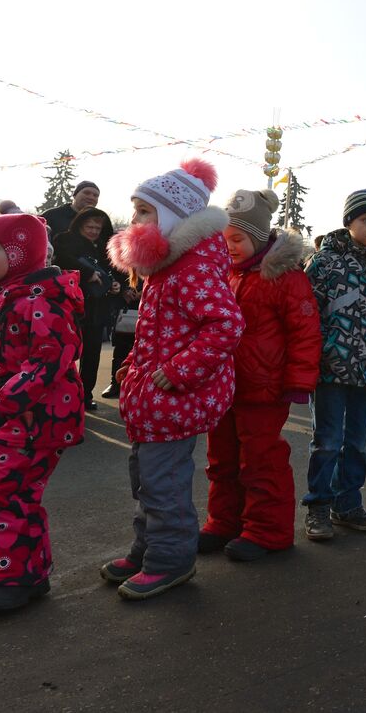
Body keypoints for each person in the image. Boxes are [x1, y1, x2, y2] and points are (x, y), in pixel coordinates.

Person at [101, 159, 244, 600]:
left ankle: (170, 561)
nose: (136, 221)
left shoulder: (193, 267)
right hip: (153, 396)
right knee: (147, 481)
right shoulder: (165, 268)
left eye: (146, 213)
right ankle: (147, 549)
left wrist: (176, 372)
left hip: (177, 397)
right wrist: (135, 368)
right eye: (136, 211)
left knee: (163, 485)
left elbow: (226, 324)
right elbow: (162, 332)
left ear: (173, 218)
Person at [0, 213, 84, 613]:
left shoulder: (42, 302)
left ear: (21, 255)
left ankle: (23, 576)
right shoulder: (2, 297)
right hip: (4, 417)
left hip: (38, 420)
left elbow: (47, 364)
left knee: (11, 492)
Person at [196, 189, 319, 562]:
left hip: (263, 387)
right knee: (222, 458)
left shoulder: (284, 277)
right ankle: (224, 521)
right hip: (223, 385)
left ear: (259, 237)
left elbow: (305, 330)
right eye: (224, 240)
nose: (229, 246)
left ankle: (268, 530)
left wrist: (299, 381)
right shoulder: (224, 275)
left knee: (261, 459)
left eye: (237, 239)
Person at [303, 189, 366, 540]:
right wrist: (319, 352)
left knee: (357, 442)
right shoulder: (324, 262)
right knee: (327, 441)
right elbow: (307, 314)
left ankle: (348, 504)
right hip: (331, 367)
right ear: (349, 221)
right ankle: (319, 506)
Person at [52, 207, 120, 411]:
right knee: (64, 352)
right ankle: (61, 393)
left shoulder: (104, 246)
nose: (93, 231)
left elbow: (114, 269)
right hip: (69, 305)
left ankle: (85, 394)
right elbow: (61, 259)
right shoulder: (64, 239)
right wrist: (87, 272)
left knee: (92, 353)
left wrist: (116, 285)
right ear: (80, 225)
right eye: (89, 226)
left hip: (97, 307)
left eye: (97, 228)